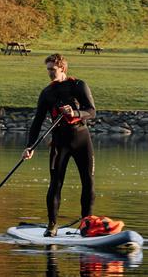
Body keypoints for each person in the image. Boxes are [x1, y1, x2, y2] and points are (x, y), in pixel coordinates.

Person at [22, 53, 96, 236]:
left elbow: (92, 111)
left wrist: (75, 113)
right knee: (55, 183)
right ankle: (52, 225)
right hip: (59, 142)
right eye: (47, 69)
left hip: (81, 138)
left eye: (52, 69)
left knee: (88, 182)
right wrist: (29, 146)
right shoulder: (47, 93)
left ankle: (87, 224)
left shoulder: (78, 85)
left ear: (62, 68)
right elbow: (37, 122)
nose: (49, 73)